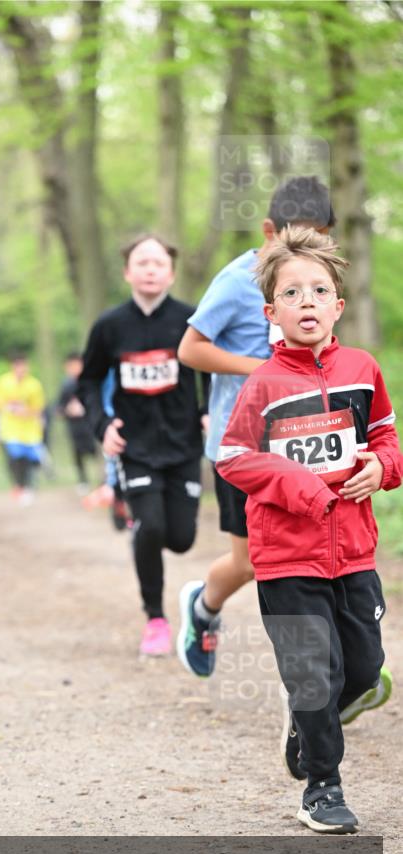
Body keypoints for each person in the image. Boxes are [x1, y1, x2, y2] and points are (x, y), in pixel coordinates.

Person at [216, 226, 401, 833]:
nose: (308, 302)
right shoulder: (263, 384)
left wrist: (382, 467)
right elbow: (235, 457)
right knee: (311, 675)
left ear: (337, 306)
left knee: (363, 669)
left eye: (319, 290)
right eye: (292, 294)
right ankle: (322, 787)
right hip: (286, 557)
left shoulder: (362, 369)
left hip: (353, 553)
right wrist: (302, 489)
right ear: (272, 312)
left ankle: (306, 721)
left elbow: (386, 439)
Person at [177, 175, 338, 677]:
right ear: (270, 231)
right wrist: (261, 370)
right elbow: (190, 349)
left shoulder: (320, 283)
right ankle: (203, 607)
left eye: (319, 241)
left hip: (306, 445)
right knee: (252, 563)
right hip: (241, 446)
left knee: (318, 553)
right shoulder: (238, 279)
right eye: (296, 240)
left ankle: (335, 666)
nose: (307, 251)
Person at [78, 234, 207, 657]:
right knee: (149, 527)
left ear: (170, 272)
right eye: (142, 262)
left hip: (183, 442)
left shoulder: (193, 319)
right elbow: (89, 380)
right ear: (127, 272)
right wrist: (102, 426)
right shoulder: (110, 325)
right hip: (134, 445)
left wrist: (208, 411)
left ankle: (150, 537)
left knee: (182, 538)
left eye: (158, 263)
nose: (150, 269)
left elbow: (211, 367)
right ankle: (155, 617)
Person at [0, 352, 45, 506]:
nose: (21, 369)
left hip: (29, 429)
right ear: (12, 366)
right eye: (18, 366)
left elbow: (38, 409)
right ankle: (20, 485)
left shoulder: (34, 385)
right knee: (14, 458)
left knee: (30, 460)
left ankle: (28, 484)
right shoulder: (3, 382)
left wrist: (25, 412)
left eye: (24, 365)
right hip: (9, 429)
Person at [57, 352, 98, 494]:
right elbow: (59, 408)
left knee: (96, 452)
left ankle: (103, 480)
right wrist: (68, 409)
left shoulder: (89, 383)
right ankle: (83, 481)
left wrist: (86, 408)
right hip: (74, 427)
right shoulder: (66, 385)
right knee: (78, 455)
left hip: (91, 425)